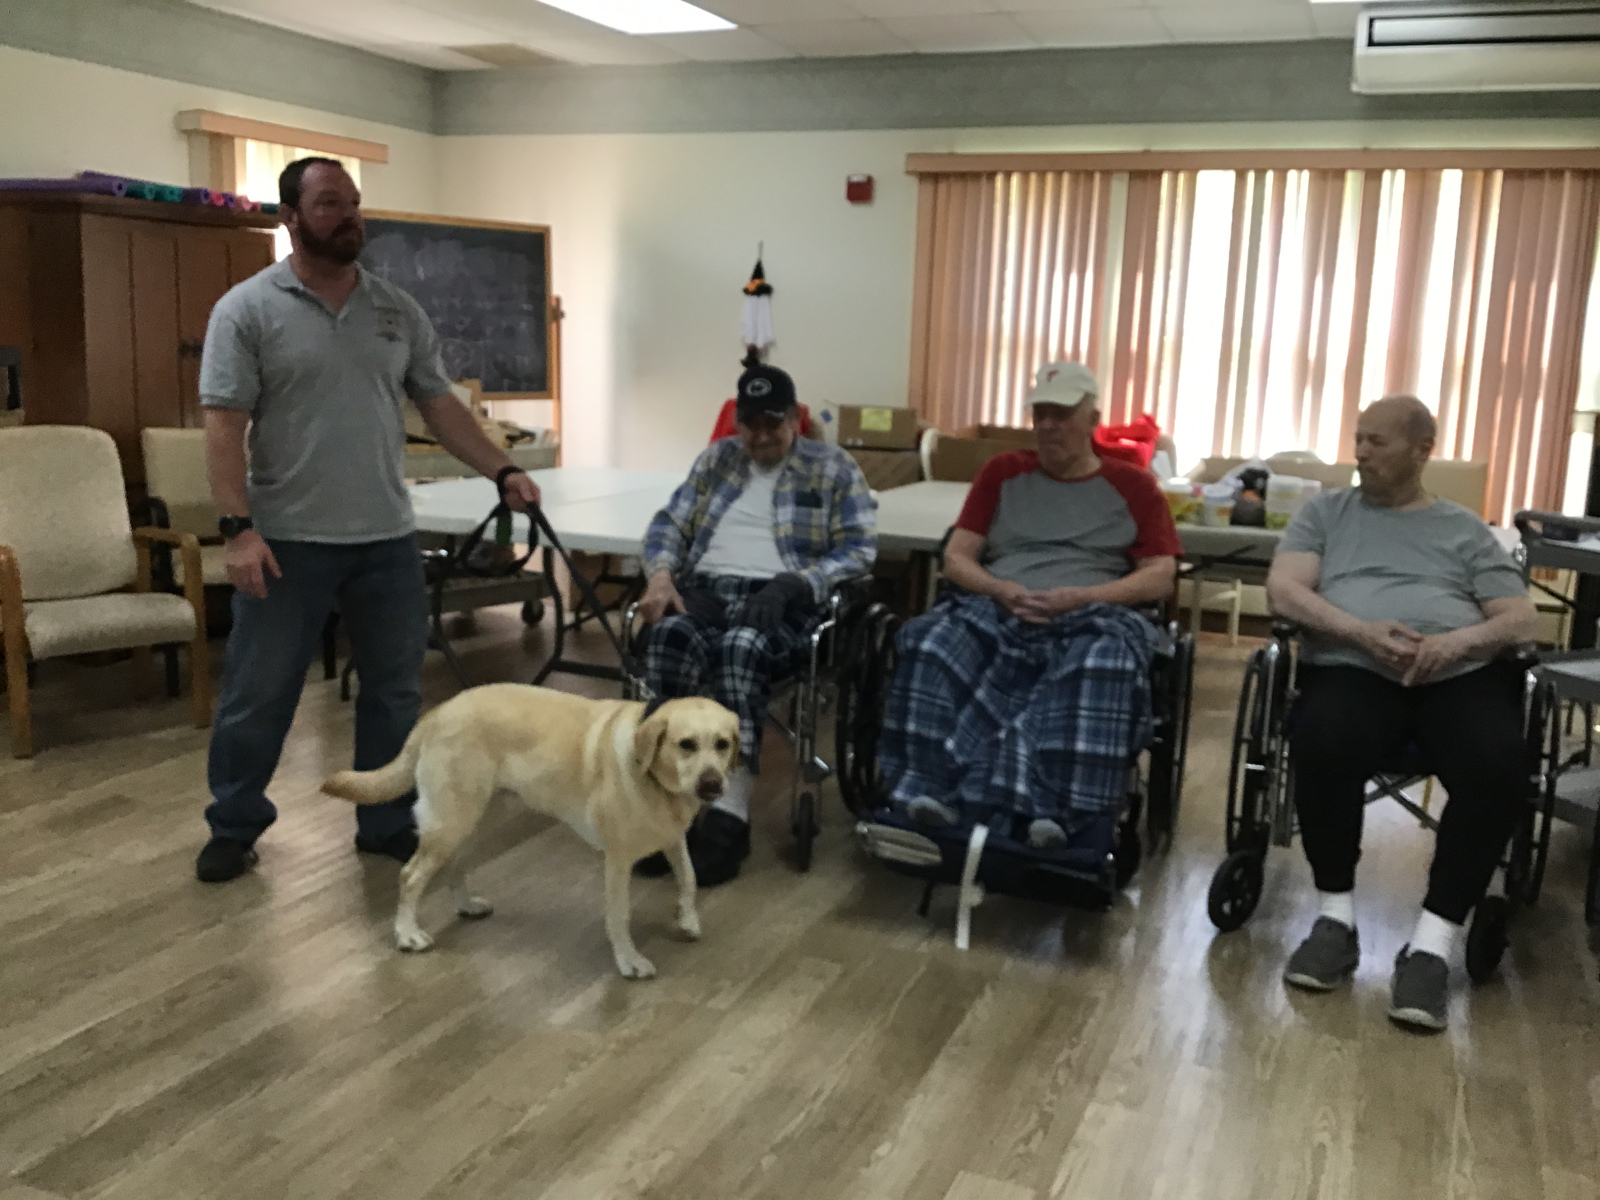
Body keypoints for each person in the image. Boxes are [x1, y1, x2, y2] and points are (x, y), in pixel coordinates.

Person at [194, 156, 542, 884]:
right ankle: (234, 825)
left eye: (353, 202)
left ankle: (384, 823)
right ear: (289, 217)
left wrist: (502, 470)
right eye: (329, 203)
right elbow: (224, 425)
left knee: (395, 692)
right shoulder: (247, 310)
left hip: (385, 538)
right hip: (286, 541)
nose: (349, 215)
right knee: (260, 694)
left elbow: (440, 406)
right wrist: (237, 528)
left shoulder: (396, 309)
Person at [1267, 394, 1537, 1032]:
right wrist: (1360, 633)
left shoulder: (1463, 529)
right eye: (1359, 438)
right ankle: (1335, 920)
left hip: (1457, 674)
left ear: (1422, 450)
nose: (1360, 452)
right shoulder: (1324, 513)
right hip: (1353, 666)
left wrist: (1456, 644)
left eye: (1377, 441)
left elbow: (1521, 617)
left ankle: (1432, 946)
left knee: (1500, 761)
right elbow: (1284, 590)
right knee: (1323, 736)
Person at [878, 362, 1180, 846]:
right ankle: (929, 791)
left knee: (1102, 664)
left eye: (1062, 415)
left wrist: (1082, 597)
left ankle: (1061, 810)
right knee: (930, 643)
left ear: (1092, 420)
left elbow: (1160, 576)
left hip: (1093, 611)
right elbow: (957, 558)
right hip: (1001, 603)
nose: (1048, 426)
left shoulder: (1134, 485)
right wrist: (999, 589)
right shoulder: (1003, 472)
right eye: (1041, 414)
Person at [634, 363, 876, 885]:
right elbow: (668, 524)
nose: (762, 436)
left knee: (740, 648)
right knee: (668, 638)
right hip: (707, 590)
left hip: (781, 600)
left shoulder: (833, 467)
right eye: (751, 425)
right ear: (737, 423)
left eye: (773, 423)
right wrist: (661, 577)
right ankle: (669, 809)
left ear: (795, 419)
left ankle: (729, 816)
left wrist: (797, 584)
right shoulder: (716, 459)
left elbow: (860, 549)